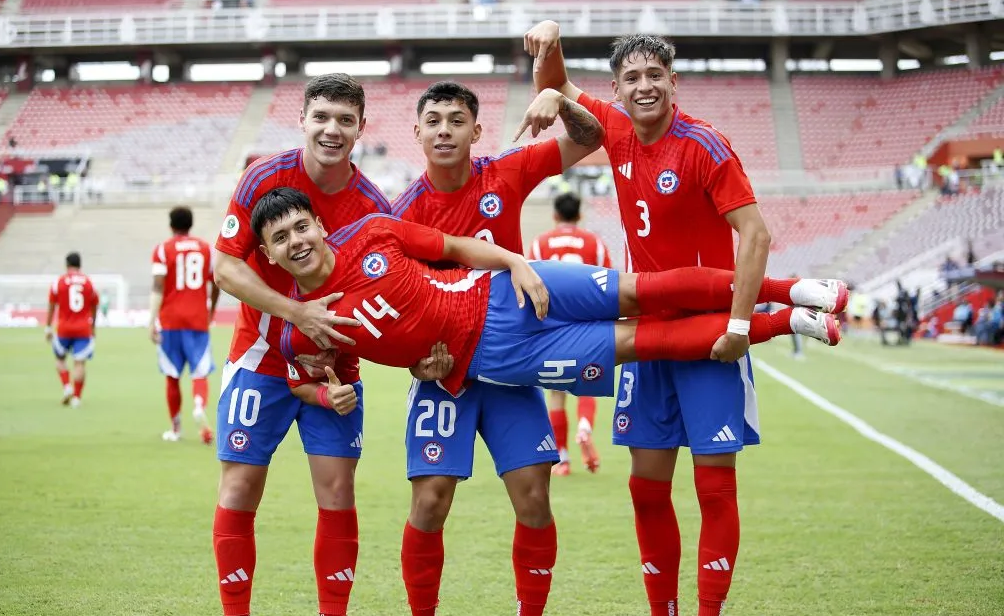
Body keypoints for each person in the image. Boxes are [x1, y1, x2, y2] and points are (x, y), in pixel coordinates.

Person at [526, 22, 780, 616]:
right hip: (645, 341)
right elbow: (554, 81)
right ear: (618, 88)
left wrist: (740, 325)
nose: (644, 87)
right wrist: (551, 56)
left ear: (673, 81)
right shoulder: (613, 129)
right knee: (645, 487)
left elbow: (755, 235)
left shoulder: (704, 145)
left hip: (709, 339)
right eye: (631, 79)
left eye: (654, 76)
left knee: (714, 488)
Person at [387, 80, 605, 616]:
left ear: (476, 131)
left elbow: (593, 136)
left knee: (534, 495)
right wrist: (413, 359)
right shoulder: (403, 213)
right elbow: (395, 308)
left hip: (512, 367)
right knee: (430, 502)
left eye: (456, 120)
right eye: (432, 120)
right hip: (444, 376)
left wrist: (560, 99)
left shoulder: (504, 172)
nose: (443, 131)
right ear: (416, 132)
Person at [252, 189, 843, 398]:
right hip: (495, 356)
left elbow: (456, 248)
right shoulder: (301, 323)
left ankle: (795, 287)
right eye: (281, 239)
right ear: (272, 257)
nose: (296, 241)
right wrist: (416, 371)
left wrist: (515, 260)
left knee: (646, 291)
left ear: (319, 226)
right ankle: (790, 324)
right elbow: (326, 377)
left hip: (506, 288)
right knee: (644, 342)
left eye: (301, 226)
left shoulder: (373, 232)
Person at [209, 74, 402, 616]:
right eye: (321, 116)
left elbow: (387, 295)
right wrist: (295, 313)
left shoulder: (373, 206)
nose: (332, 129)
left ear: (361, 128)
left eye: (345, 119)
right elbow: (223, 266)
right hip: (259, 361)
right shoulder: (264, 177)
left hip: (335, 371)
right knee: (240, 489)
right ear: (303, 119)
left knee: (338, 492)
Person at [528, 192, 612, 475]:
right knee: (588, 383)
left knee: (556, 393)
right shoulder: (595, 244)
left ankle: (561, 458)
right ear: (579, 215)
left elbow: (530, 285)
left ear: (554, 215)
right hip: (588, 324)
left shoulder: (540, 245)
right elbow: (609, 283)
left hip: (553, 327)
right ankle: (585, 427)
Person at [149, 206, 221, 443]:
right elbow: (217, 281)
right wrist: (210, 309)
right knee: (199, 372)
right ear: (191, 224)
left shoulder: (162, 250)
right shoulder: (205, 249)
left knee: (172, 375)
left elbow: (158, 286)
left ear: (171, 225)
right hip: (197, 318)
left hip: (170, 320)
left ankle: (176, 428)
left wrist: (151, 320)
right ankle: (199, 404)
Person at [46, 252, 98, 408]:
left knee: (60, 359)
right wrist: (93, 324)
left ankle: (67, 387)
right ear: (80, 265)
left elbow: (51, 305)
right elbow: (95, 304)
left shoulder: (59, 282)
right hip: (83, 328)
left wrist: (48, 326)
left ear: (66, 265)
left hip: (64, 328)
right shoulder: (88, 283)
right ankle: (76, 397)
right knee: (79, 363)